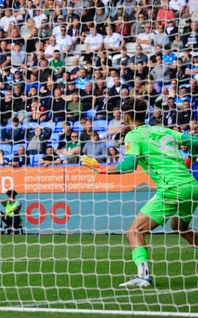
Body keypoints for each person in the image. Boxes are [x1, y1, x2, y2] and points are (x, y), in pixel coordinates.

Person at [82, 98, 198, 287]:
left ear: (126, 117)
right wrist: (188, 161)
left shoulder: (133, 136)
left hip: (172, 188)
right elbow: (195, 141)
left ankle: (143, 276)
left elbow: (129, 166)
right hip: (192, 187)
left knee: (135, 231)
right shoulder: (162, 129)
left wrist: (100, 169)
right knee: (180, 227)